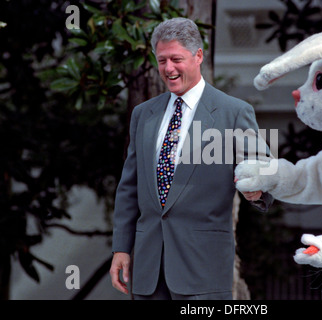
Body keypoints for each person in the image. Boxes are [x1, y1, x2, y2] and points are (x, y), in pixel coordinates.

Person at [109, 17, 273, 300]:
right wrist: (121, 248)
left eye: (176, 59)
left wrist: (257, 189)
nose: (168, 69)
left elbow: (264, 172)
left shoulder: (233, 112)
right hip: (148, 270)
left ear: (198, 56)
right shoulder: (143, 114)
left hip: (204, 270)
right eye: (161, 60)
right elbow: (129, 187)